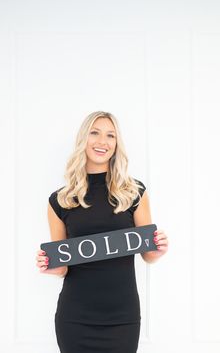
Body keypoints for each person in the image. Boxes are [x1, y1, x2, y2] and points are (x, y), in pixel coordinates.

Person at [36, 111, 168, 353]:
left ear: (117, 144)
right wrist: (52, 266)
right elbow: (63, 266)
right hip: (75, 319)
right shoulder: (60, 200)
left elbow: (148, 254)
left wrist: (157, 249)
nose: (102, 142)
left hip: (123, 318)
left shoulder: (133, 193)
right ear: (83, 139)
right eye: (94, 133)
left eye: (111, 135)